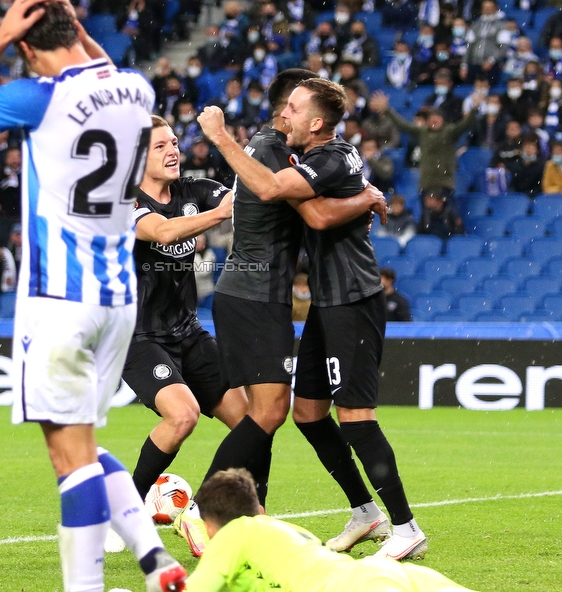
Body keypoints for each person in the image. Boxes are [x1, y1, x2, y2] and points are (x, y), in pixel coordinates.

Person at [0, 0, 187, 592]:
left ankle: (85, 589)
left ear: (27, 47)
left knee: (67, 460)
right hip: (119, 299)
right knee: (87, 447)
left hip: (58, 300)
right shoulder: (138, 91)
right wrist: (68, 26)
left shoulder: (38, 97)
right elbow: (102, 66)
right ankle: (154, 561)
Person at [198, 78, 425, 561]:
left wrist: (220, 138)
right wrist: (366, 196)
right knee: (307, 414)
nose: (284, 116)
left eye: (293, 109)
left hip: (354, 300)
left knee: (357, 419)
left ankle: (406, 528)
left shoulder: (325, 159)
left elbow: (309, 212)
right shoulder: (317, 156)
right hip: (328, 301)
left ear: (316, 122)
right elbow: (317, 202)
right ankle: (366, 513)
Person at [124, 114, 246, 512]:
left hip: (188, 330)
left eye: (174, 143)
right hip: (140, 336)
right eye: (160, 146)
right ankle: (124, 509)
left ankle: (211, 510)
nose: (172, 151)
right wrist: (215, 217)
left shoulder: (193, 188)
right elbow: (162, 232)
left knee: (251, 425)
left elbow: (239, 197)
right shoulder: (124, 201)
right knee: (183, 416)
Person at [185, 469, 472, 592]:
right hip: (383, 574)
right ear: (260, 510)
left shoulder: (234, 533)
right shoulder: (288, 532)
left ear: (210, 527)